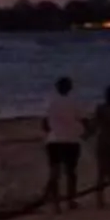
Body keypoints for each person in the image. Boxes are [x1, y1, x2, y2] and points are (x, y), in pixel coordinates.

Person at [42, 76, 87, 212]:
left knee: (55, 172)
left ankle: (56, 204)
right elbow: (82, 119)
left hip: (54, 140)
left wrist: (52, 130)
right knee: (71, 172)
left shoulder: (50, 102)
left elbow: (44, 123)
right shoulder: (74, 102)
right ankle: (71, 200)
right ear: (70, 88)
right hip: (71, 140)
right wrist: (85, 132)